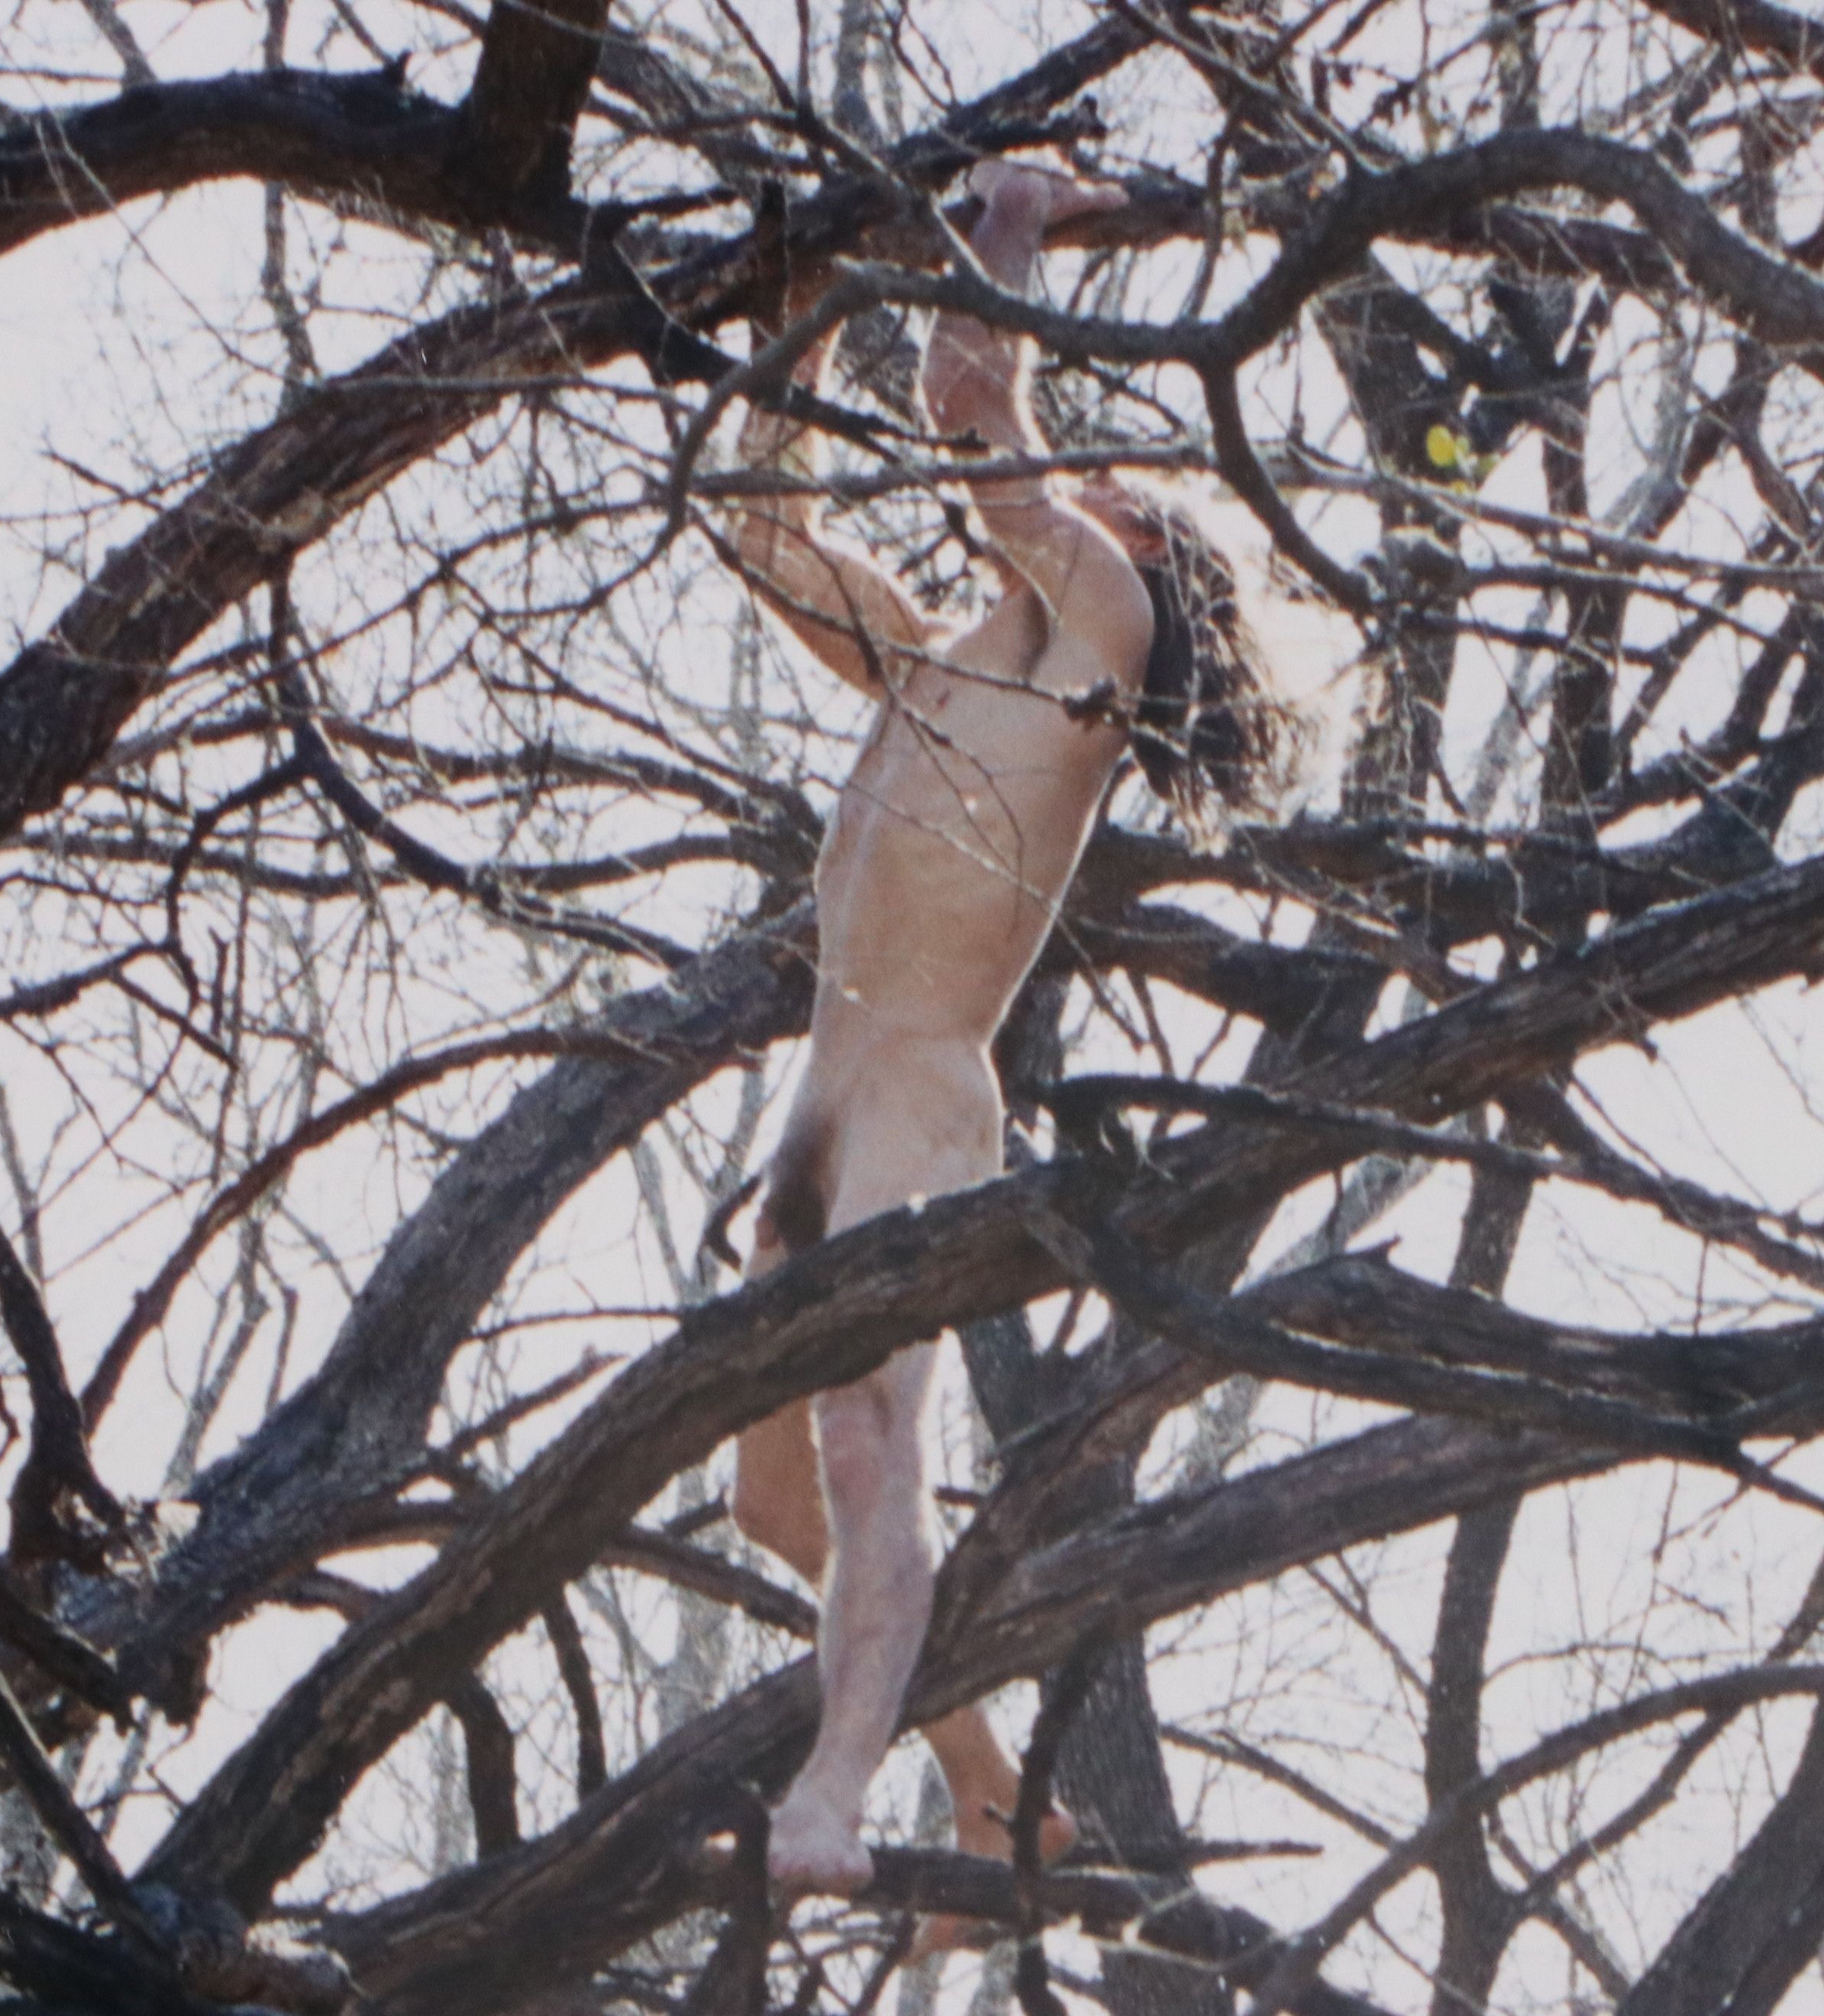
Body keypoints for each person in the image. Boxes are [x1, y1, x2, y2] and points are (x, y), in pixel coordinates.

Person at [723, 157, 1284, 1898]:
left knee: (864, 1449)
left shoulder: (1099, 642)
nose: (1091, 491)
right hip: (812, 1110)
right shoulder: (930, 667)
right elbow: (756, 519)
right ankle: (984, 1791)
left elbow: (975, 412)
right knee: (773, 1507)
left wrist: (1017, 223)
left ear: (1147, 557)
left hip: (914, 1107)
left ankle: (831, 1793)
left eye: (1119, 496)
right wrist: (785, 292)